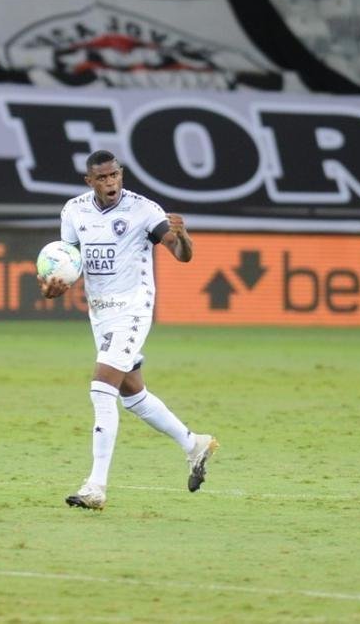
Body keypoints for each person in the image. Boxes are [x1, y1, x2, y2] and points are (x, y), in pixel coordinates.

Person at [39, 150, 218, 510]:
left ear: (121, 174)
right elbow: (69, 261)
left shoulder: (144, 210)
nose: (111, 182)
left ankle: (95, 486)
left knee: (101, 388)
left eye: (115, 175)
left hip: (133, 308)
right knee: (132, 394)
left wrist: (182, 236)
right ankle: (194, 444)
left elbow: (181, 254)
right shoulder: (74, 211)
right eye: (102, 178)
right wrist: (54, 286)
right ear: (90, 181)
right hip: (100, 313)